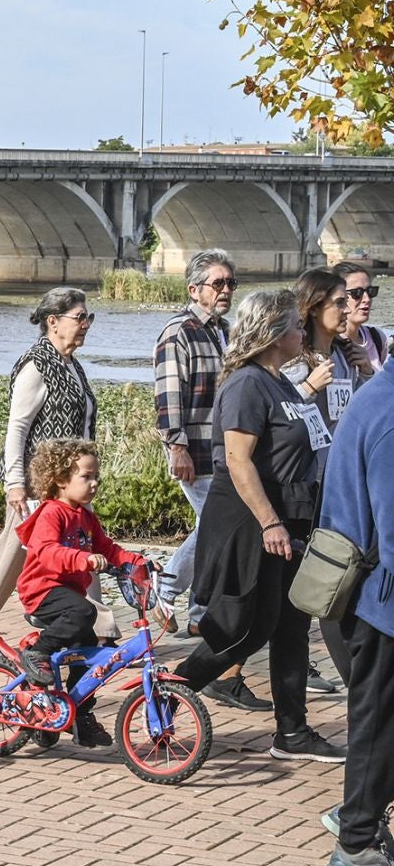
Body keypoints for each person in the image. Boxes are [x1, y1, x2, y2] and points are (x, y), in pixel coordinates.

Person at [173, 287, 344, 763]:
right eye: (293, 325)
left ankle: (292, 733)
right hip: (253, 522)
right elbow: (237, 460)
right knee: (248, 628)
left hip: (293, 518)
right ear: (272, 333)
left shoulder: (282, 381)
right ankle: (171, 691)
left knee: (291, 625)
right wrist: (270, 523)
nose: (299, 331)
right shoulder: (247, 384)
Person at [0, 287, 102, 657]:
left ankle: (99, 626)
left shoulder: (71, 364)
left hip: (68, 486)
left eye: (88, 317)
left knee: (78, 545)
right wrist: (15, 483)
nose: (85, 324)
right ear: (52, 322)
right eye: (79, 317)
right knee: (12, 553)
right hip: (39, 486)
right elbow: (17, 428)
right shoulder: (37, 364)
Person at [152, 249, 265, 710]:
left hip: (222, 452)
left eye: (230, 284)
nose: (225, 291)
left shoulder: (224, 331)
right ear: (194, 288)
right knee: (213, 530)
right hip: (194, 453)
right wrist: (175, 443)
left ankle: (199, 610)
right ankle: (165, 586)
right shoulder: (178, 332)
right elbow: (167, 392)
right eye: (217, 284)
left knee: (215, 530)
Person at [13, 438, 150, 747]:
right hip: (42, 590)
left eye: (95, 475)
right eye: (86, 476)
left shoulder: (86, 518)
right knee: (84, 612)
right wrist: (82, 559)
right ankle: (38, 652)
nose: (94, 482)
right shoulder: (51, 513)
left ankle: (78, 713)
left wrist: (138, 562)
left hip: (67, 593)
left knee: (87, 652)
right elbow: (47, 550)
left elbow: (108, 549)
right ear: (61, 480)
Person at [315, 359, 394, 866]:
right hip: (377, 600)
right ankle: (356, 844)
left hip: (359, 591)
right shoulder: (390, 415)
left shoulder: (377, 393)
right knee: (378, 723)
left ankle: (355, 813)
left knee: (380, 719)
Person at [294, 267, 363, 690]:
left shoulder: (346, 357)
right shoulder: (292, 356)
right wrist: (305, 389)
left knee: (338, 579)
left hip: (341, 483)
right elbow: (279, 421)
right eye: (339, 301)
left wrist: (368, 376)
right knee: (315, 586)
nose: (348, 307)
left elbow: (354, 419)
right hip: (305, 486)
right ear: (314, 307)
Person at [334, 261, 389, 371]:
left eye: (370, 291)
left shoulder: (377, 338)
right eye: (357, 293)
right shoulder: (328, 344)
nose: (367, 299)